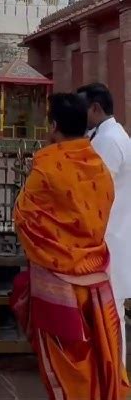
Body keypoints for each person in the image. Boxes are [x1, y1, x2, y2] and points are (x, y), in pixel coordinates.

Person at [11, 93, 129, 400]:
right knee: (97, 359)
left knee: (66, 366)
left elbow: (24, 219)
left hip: (59, 282)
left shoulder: (47, 169)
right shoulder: (99, 167)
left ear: (53, 126)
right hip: (97, 279)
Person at [77, 82, 131, 364]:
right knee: (110, 314)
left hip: (109, 240)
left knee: (111, 316)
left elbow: (93, 192)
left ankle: (114, 380)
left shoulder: (108, 141)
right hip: (111, 238)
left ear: (95, 108)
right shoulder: (106, 136)